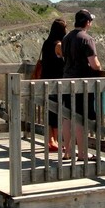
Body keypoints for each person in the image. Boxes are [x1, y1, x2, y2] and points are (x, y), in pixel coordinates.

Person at [61, 9, 102, 161]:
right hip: (81, 85)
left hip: (66, 82)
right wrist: (99, 67)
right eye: (90, 20)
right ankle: (83, 154)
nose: (91, 23)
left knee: (67, 118)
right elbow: (94, 64)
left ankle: (68, 151)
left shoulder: (66, 38)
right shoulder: (87, 39)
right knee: (80, 119)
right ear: (87, 22)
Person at [41, 18, 67, 151]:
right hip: (56, 81)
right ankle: (55, 141)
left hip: (45, 80)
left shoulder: (46, 43)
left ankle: (50, 140)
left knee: (50, 110)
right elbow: (65, 57)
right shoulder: (58, 44)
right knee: (56, 111)